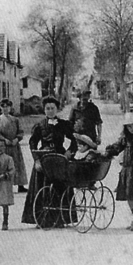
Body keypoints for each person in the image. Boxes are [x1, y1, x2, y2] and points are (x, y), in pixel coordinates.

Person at [21, 96, 78, 228]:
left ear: (57, 109)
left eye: (52, 108)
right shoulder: (40, 125)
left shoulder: (64, 124)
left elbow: (74, 140)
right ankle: (41, 219)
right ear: (44, 110)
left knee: (60, 185)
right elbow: (33, 143)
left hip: (60, 157)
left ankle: (60, 219)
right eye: (47, 108)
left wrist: (70, 152)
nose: (50, 111)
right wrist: (36, 160)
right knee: (40, 185)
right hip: (44, 157)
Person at [0, 98, 28, 193]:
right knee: (3, 165)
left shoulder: (15, 119)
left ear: (10, 108)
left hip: (14, 146)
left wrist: (16, 139)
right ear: (1, 108)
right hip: (3, 147)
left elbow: (21, 132)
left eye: (7, 107)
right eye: (3, 107)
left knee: (17, 165)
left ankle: (20, 185)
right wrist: (4, 140)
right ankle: (2, 186)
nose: (5, 109)